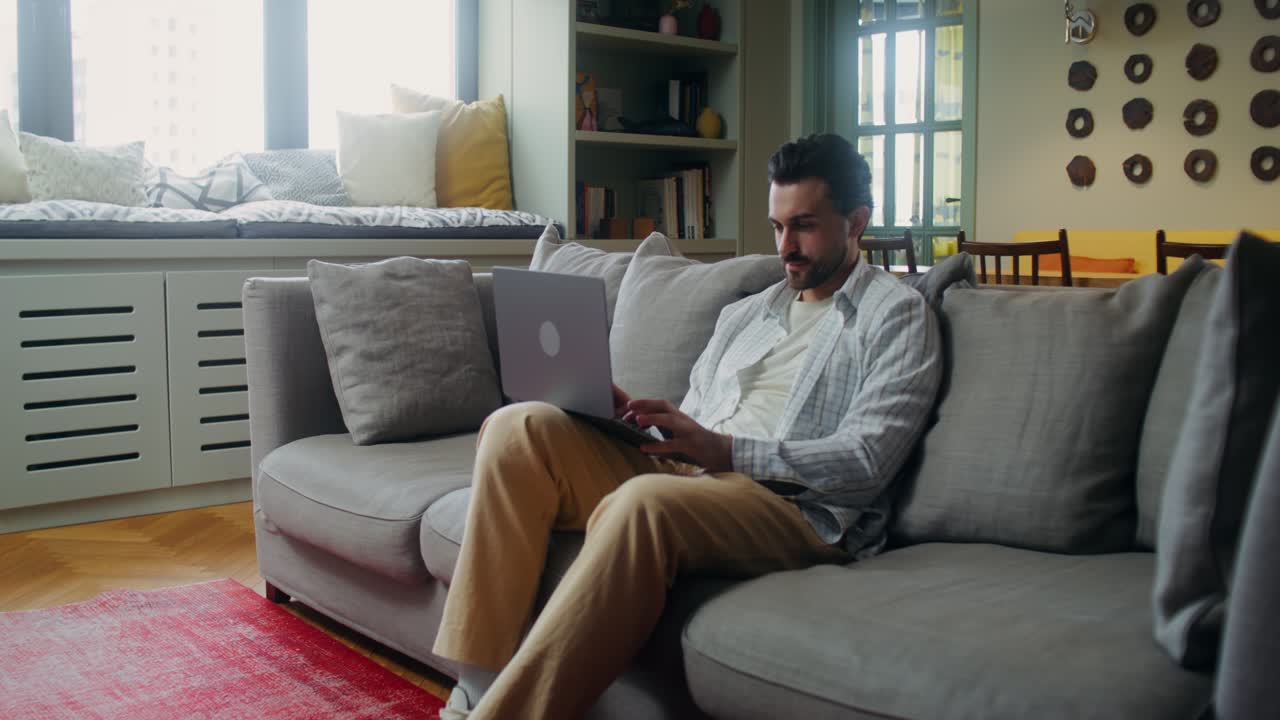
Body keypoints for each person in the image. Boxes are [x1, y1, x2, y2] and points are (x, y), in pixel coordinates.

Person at [434, 133, 943, 720]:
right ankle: (472, 689)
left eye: (803, 225)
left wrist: (727, 452)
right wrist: (635, 423)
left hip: (793, 509)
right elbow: (697, 421)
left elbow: (867, 462)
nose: (786, 247)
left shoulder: (898, 315)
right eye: (777, 227)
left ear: (857, 222)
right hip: (687, 470)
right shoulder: (746, 313)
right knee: (517, 427)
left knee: (645, 504)